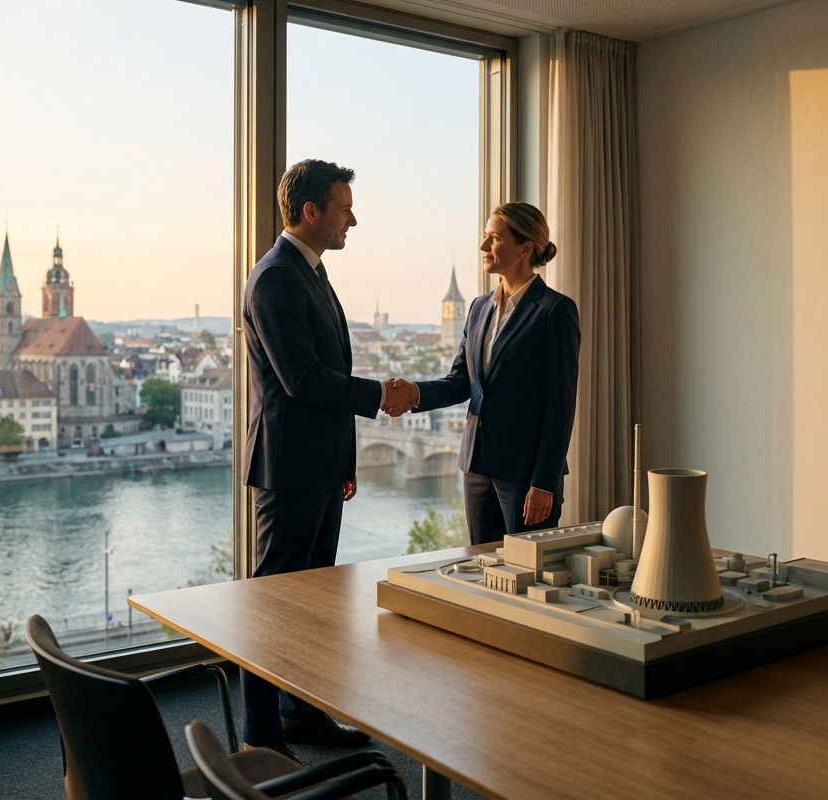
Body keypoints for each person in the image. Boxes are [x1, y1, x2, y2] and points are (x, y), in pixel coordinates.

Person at [240, 159, 414, 759]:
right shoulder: (275, 278)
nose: (353, 219)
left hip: (316, 465)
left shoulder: (309, 272)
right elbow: (304, 380)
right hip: (287, 469)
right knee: (272, 604)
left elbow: (326, 372)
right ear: (309, 212)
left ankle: (302, 713)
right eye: (344, 208)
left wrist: (345, 461)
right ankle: (260, 733)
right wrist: (380, 397)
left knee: (309, 606)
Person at [384, 203, 580, 544]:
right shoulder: (478, 308)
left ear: (524, 248)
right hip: (476, 467)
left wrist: (544, 482)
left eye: (493, 238)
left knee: (526, 578)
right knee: (482, 572)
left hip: (525, 475)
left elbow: (560, 405)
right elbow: (462, 382)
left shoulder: (555, 311)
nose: (483, 247)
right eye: (484, 237)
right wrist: (413, 394)